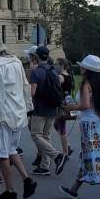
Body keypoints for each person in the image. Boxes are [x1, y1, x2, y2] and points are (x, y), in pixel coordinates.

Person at [60, 55, 100, 199]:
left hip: (90, 125)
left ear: (87, 69)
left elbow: (85, 105)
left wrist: (69, 107)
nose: (81, 68)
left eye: (82, 66)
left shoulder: (86, 84)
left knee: (95, 157)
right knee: (92, 157)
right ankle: (74, 188)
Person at [0, 36, 37, 199]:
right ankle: (26, 179)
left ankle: (9, 190)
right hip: (17, 112)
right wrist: (28, 107)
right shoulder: (16, 62)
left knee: (2, 154)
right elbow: (25, 86)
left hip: (3, 115)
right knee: (12, 149)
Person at [27, 45, 66, 175]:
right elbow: (61, 80)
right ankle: (45, 165)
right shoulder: (53, 70)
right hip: (53, 107)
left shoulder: (36, 72)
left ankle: (57, 156)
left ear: (36, 57)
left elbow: (33, 92)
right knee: (46, 135)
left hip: (40, 108)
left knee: (36, 135)